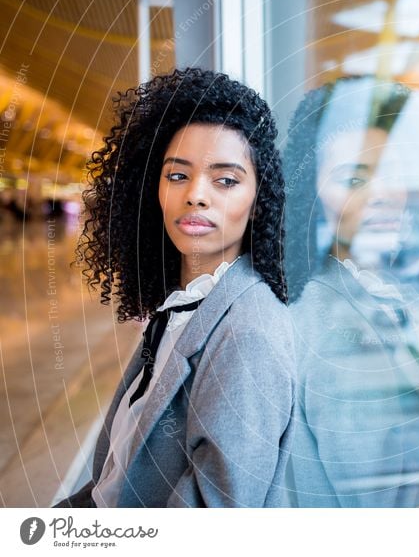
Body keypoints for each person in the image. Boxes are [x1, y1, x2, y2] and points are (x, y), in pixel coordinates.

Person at [53, 68, 295, 508]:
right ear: (154, 191)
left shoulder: (247, 335)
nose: (196, 195)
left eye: (226, 180)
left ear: (259, 201)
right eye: (177, 175)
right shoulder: (184, 306)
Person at [283, 77, 419, 506]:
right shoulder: (324, 322)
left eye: (393, 174)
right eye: (354, 179)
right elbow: (361, 489)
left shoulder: (366, 289)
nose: (384, 193)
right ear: (308, 194)